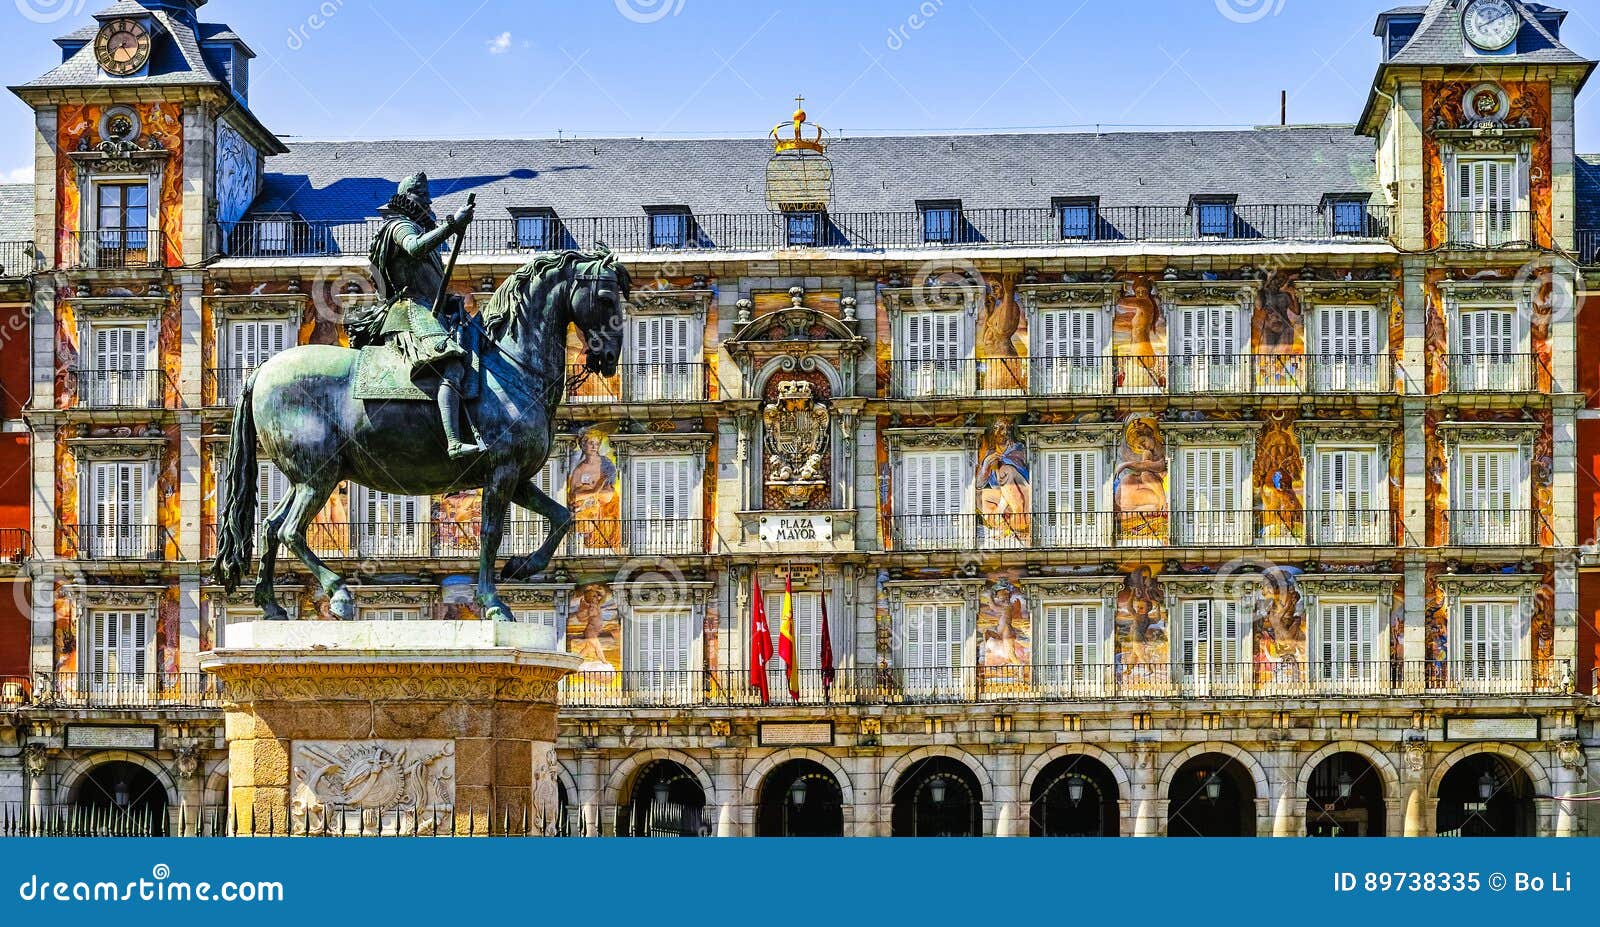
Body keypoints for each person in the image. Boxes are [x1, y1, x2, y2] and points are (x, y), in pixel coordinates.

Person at [353, 172, 484, 459]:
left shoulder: (419, 231)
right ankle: (453, 442)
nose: (428, 201)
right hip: (408, 312)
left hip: (425, 308)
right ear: (407, 197)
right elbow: (414, 247)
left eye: (428, 195)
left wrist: (450, 301)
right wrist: (454, 224)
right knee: (452, 364)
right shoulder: (399, 226)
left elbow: (429, 284)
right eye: (422, 195)